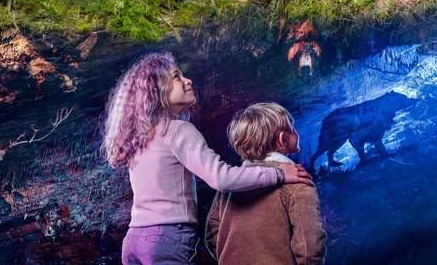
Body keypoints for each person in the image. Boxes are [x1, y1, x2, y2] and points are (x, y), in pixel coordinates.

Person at [101, 52, 313, 265]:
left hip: (134, 240)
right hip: (167, 238)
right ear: (156, 91)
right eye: (176, 77)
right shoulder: (178, 131)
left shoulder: (139, 137)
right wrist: (278, 174)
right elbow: (222, 179)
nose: (187, 80)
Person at [205, 103, 327, 265]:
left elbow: (212, 233)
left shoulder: (231, 184)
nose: (296, 131)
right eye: (293, 127)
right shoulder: (298, 181)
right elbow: (309, 246)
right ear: (283, 139)